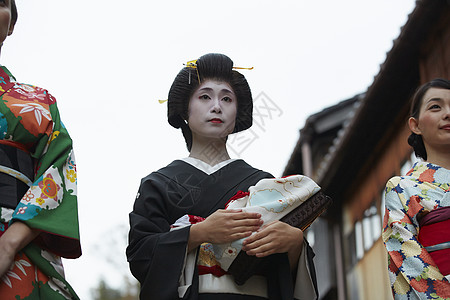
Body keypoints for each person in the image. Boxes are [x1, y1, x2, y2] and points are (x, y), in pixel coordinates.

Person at [127, 53, 318, 300]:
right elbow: (140, 256)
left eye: (226, 98)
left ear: (237, 112)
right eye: (205, 96)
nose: (216, 106)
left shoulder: (263, 183)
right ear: (185, 107)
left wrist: (294, 244)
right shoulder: (159, 183)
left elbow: (281, 275)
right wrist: (199, 233)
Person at [0, 1, 81, 299]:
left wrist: (8, 245)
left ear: (10, 25)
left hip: (20, 244)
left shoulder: (39, 103)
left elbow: (57, 169)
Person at [382, 78, 450, 299]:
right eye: (435, 106)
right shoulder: (402, 189)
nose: (447, 113)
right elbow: (407, 257)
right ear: (416, 125)